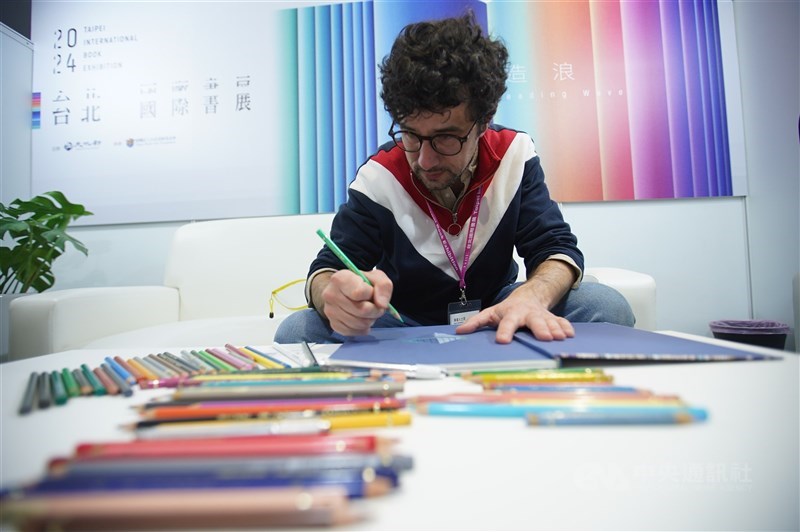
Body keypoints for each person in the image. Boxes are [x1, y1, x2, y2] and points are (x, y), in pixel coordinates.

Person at [275, 13, 634, 345]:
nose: (424, 159)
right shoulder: (380, 177)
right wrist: (333, 297)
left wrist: (532, 296)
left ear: (483, 120)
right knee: (298, 330)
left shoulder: (515, 154)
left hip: (499, 314)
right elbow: (327, 269)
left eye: (447, 137)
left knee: (605, 304)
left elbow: (554, 247)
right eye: (412, 135)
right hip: (404, 324)